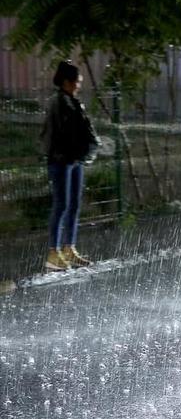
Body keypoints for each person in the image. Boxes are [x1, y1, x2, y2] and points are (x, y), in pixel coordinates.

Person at [40, 60, 99, 272]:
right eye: (77, 81)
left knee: (73, 205)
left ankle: (68, 249)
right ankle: (53, 253)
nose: (79, 85)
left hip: (74, 160)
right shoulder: (58, 102)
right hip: (61, 161)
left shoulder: (73, 101)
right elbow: (62, 134)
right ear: (66, 81)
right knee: (61, 205)